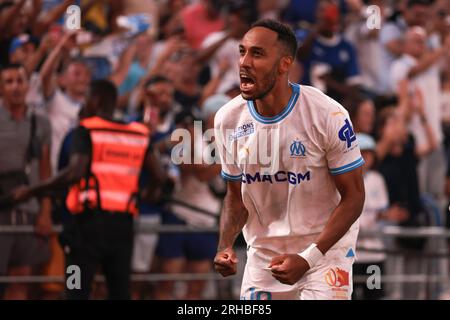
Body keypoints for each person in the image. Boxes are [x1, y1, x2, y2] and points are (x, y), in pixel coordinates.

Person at [213, 19, 365, 300]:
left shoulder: (327, 114)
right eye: (242, 51)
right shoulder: (228, 119)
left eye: (257, 54)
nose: (244, 62)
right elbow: (236, 197)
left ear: (284, 64)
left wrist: (308, 258)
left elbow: (354, 196)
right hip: (264, 259)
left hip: (324, 254)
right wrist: (225, 245)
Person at [8, 79, 166, 300]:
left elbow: (74, 172)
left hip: (85, 228)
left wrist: (31, 190)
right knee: (120, 291)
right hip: (123, 227)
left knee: (75, 289)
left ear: (96, 99)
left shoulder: (87, 130)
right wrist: (147, 194)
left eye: (88, 98)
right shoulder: (138, 133)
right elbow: (160, 176)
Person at [0, 63, 53, 299]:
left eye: (19, 81)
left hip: (29, 210)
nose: (15, 87)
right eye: (8, 82)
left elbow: (45, 171)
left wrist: (46, 212)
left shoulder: (41, 123)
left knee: (21, 279)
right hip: (0, 210)